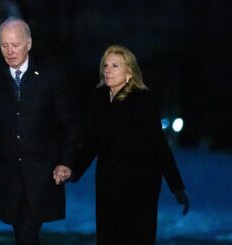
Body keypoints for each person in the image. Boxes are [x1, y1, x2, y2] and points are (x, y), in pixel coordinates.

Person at [0, 17, 77, 245]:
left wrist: (65, 162)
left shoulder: (50, 75)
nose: (9, 51)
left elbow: (68, 123)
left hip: (43, 170)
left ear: (28, 44)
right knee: (22, 230)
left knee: (27, 229)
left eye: (15, 45)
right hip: (9, 172)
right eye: (4, 45)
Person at [71, 45, 190, 245]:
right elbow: (92, 142)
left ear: (129, 72)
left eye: (115, 66)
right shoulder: (98, 98)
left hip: (140, 184)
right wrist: (73, 171)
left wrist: (176, 187)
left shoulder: (143, 100)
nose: (107, 70)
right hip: (108, 181)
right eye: (105, 65)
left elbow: (158, 144)